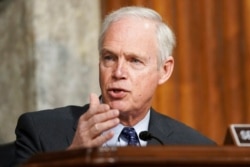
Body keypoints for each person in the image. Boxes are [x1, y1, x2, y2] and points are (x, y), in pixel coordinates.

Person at [14, 6, 216, 166]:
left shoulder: (196, 148)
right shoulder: (39, 131)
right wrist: (71, 159)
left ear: (164, 70)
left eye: (135, 61)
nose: (118, 73)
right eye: (109, 58)